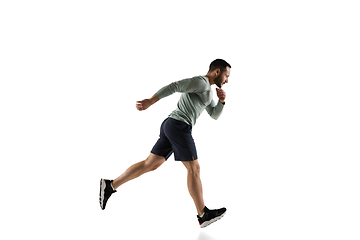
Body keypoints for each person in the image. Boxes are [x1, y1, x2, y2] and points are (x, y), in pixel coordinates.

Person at [99, 59, 231, 228]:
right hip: (178, 126)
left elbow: (214, 115)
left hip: (173, 125)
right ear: (217, 72)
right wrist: (150, 101)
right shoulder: (201, 82)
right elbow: (175, 86)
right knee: (194, 168)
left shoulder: (207, 91)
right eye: (226, 76)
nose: (227, 80)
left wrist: (222, 102)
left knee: (150, 164)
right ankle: (203, 214)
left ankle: (109, 185)